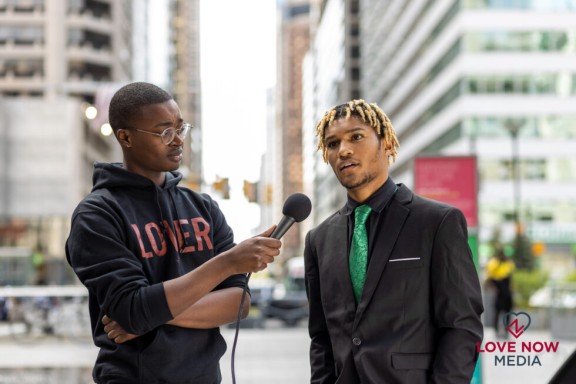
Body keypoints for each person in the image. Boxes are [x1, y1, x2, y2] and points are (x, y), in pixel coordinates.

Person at [65, 82, 281, 384]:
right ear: (125, 137)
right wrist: (228, 263)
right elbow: (131, 309)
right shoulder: (97, 215)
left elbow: (239, 302)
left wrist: (151, 316)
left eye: (181, 128)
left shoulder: (203, 207)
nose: (178, 140)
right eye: (164, 131)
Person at [304, 99, 484, 383]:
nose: (344, 150)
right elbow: (321, 336)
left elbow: (461, 326)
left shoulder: (437, 222)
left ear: (386, 142)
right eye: (332, 143)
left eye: (356, 137)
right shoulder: (319, 239)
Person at [485, 248, 515, 337]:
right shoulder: (494, 263)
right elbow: (490, 275)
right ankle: (496, 330)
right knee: (497, 312)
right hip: (498, 289)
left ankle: (506, 331)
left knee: (507, 312)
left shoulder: (508, 263)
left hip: (506, 289)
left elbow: (510, 274)